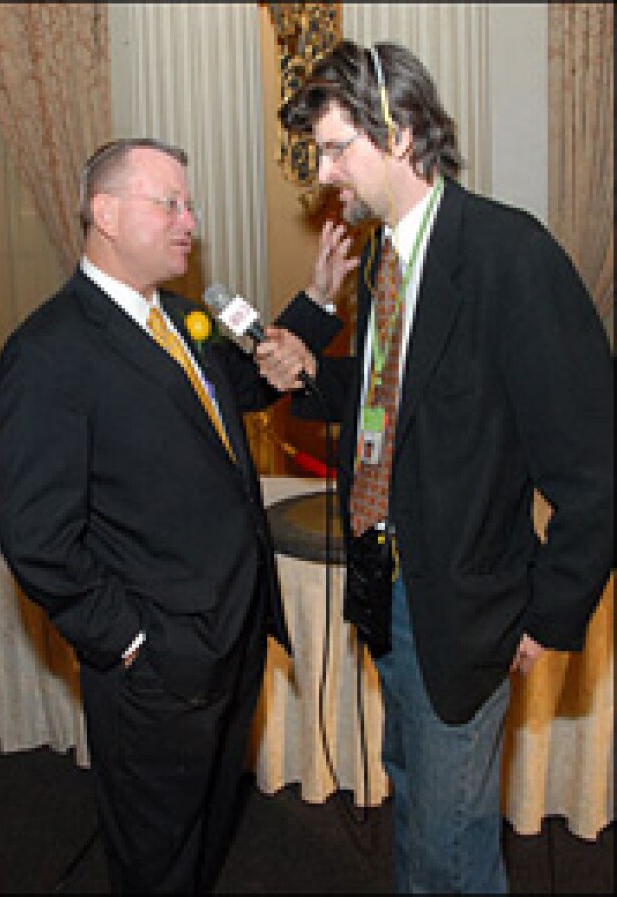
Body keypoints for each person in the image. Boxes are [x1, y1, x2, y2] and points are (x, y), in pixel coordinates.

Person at [255, 40, 614, 894]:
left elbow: (595, 468)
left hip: (467, 607)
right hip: (391, 592)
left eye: (339, 148)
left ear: (403, 132)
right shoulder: (387, 257)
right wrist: (313, 373)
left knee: (452, 849)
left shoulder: (510, 256)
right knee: (414, 802)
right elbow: (399, 401)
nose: (327, 176)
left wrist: (548, 613)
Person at [0, 137, 334, 894]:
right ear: (105, 213)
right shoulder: (49, 352)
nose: (191, 219)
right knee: (157, 859)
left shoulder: (183, 318)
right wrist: (133, 643)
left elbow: (250, 386)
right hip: (159, 666)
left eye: (190, 203)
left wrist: (315, 302)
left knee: (205, 837)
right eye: (169, 202)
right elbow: (38, 538)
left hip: (232, 643)